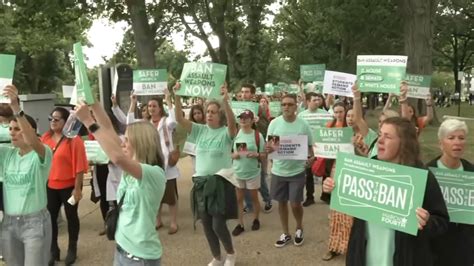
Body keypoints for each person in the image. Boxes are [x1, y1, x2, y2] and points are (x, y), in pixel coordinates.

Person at [323, 117, 449, 266]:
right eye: (380, 134)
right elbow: (347, 202)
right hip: (364, 256)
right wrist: (333, 188)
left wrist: (427, 222)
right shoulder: (367, 168)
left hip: (403, 258)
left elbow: (441, 222)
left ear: (404, 143)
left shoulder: (422, 176)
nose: (380, 141)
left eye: (387, 137)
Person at [74, 99, 166, 266]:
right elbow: (108, 128)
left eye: (127, 140)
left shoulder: (153, 173)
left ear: (141, 143)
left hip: (141, 258)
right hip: (122, 250)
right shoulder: (130, 164)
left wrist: (88, 121)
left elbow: (117, 158)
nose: (122, 142)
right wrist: (93, 102)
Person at [174, 82, 238, 266]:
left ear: (221, 115)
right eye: (207, 111)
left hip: (219, 183)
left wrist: (226, 101)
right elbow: (179, 118)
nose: (209, 114)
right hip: (201, 183)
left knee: (218, 224)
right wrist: (177, 95)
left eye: (213, 111)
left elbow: (233, 124)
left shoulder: (226, 133)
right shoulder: (199, 130)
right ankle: (217, 257)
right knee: (207, 224)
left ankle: (231, 253)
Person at [0, 85, 53, 265]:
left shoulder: (43, 152)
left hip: (34, 223)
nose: (12, 132)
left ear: (31, 130)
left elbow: (32, 140)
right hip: (8, 223)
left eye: (17, 129)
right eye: (11, 129)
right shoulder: (7, 154)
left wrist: (16, 108)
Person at [41, 107, 88, 266]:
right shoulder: (45, 139)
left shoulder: (74, 139)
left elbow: (80, 166)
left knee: (71, 217)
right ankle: (53, 249)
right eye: (51, 118)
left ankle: (72, 248)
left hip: (69, 186)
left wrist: (77, 188)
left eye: (57, 119)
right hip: (50, 186)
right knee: (50, 219)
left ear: (66, 121)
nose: (52, 122)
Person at [265, 94, 314, 248]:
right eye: (284, 104)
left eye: (290, 104)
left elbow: (310, 147)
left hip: (297, 172)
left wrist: (311, 158)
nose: (286, 107)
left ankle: (299, 228)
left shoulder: (303, 125)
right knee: (281, 203)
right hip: (278, 171)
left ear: (296, 106)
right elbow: (269, 146)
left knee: (295, 204)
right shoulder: (274, 123)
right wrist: (268, 150)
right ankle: (286, 233)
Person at [128, 92, 180, 234]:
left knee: (170, 196)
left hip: (167, 165)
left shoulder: (166, 121)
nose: (151, 108)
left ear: (160, 108)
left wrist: (168, 100)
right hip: (151, 164)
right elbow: (130, 123)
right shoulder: (145, 124)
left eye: (154, 106)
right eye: (149, 106)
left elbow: (174, 121)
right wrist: (133, 102)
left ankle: (174, 222)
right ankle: (158, 220)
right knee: (153, 194)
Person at [427, 119, 474, 266]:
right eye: (451, 138)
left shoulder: (471, 172)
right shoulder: (428, 172)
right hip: (435, 250)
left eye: (461, 138)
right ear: (441, 143)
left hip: (464, 250)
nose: (457, 142)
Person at [231, 109, 266, 236]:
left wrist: (256, 154)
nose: (243, 120)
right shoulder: (235, 134)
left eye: (246, 118)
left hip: (253, 172)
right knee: (239, 199)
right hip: (238, 171)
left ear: (252, 120)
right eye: (241, 118)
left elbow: (264, 154)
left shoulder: (258, 135)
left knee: (254, 197)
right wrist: (233, 155)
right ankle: (240, 224)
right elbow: (227, 152)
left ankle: (256, 219)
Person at [240, 84, 273, 214]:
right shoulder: (236, 107)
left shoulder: (258, 108)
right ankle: (249, 204)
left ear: (252, 94)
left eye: (247, 92)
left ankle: (267, 199)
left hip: (255, 141)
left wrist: (258, 121)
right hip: (241, 142)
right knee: (243, 174)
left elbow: (267, 126)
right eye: (242, 92)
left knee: (259, 175)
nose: (244, 94)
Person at [298, 92, 330, 207]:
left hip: (323, 148)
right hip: (307, 148)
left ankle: (325, 195)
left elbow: (330, 131)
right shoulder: (301, 116)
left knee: (325, 171)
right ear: (307, 101)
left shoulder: (326, 115)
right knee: (308, 173)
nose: (317, 102)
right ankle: (310, 196)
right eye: (314, 100)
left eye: (318, 100)